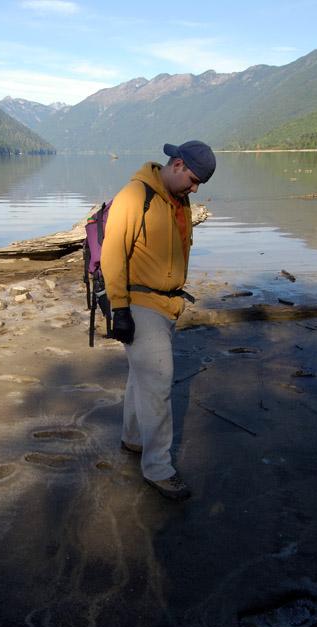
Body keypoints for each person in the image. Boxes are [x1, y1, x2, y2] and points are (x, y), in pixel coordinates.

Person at [99, 140, 216, 501]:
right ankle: (159, 470)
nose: (195, 189)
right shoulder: (136, 196)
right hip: (138, 303)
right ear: (177, 164)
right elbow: (113, 253)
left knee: (142, 377)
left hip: (166, 307)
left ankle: (133, 440)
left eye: (200, 185)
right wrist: (118, 309)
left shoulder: (178, 199)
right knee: (158, 383)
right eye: (193, 180)